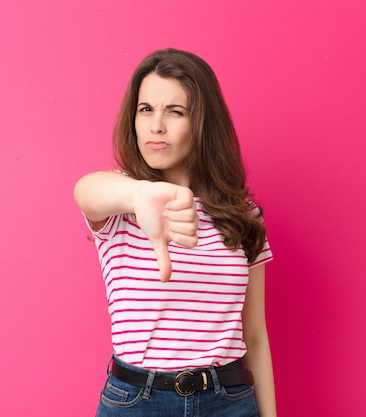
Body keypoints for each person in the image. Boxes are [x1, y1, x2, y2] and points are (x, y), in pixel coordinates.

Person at [74, 48, 276, 417]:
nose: (156, 126)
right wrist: (140, 194)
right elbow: (85, 191)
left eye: (175, 112)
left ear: (202, 122)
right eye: (146, 109)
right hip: (137, 401)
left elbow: (256, 338)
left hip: (228, 401)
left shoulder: (244, 215)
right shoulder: (124, 202)